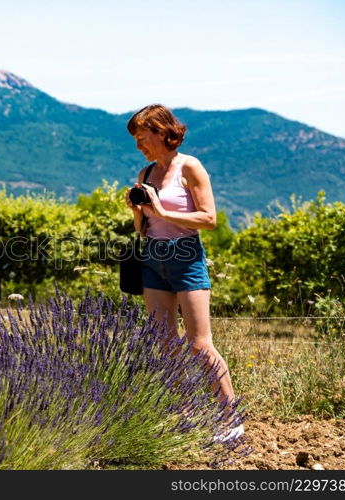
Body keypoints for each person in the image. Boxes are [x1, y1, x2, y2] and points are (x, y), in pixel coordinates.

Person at [124, 104, 243, 441]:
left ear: (162, 132)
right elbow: (144, 228)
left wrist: (161, 208)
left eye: (142, 138)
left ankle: (231, 419)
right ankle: (185, 415)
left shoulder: (190, 167)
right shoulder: (145, 175)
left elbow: (210, 219)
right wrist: (139, 211)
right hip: (154, 259)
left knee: (199, 344)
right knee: (163, 343)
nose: (139, 146)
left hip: (187, 258)